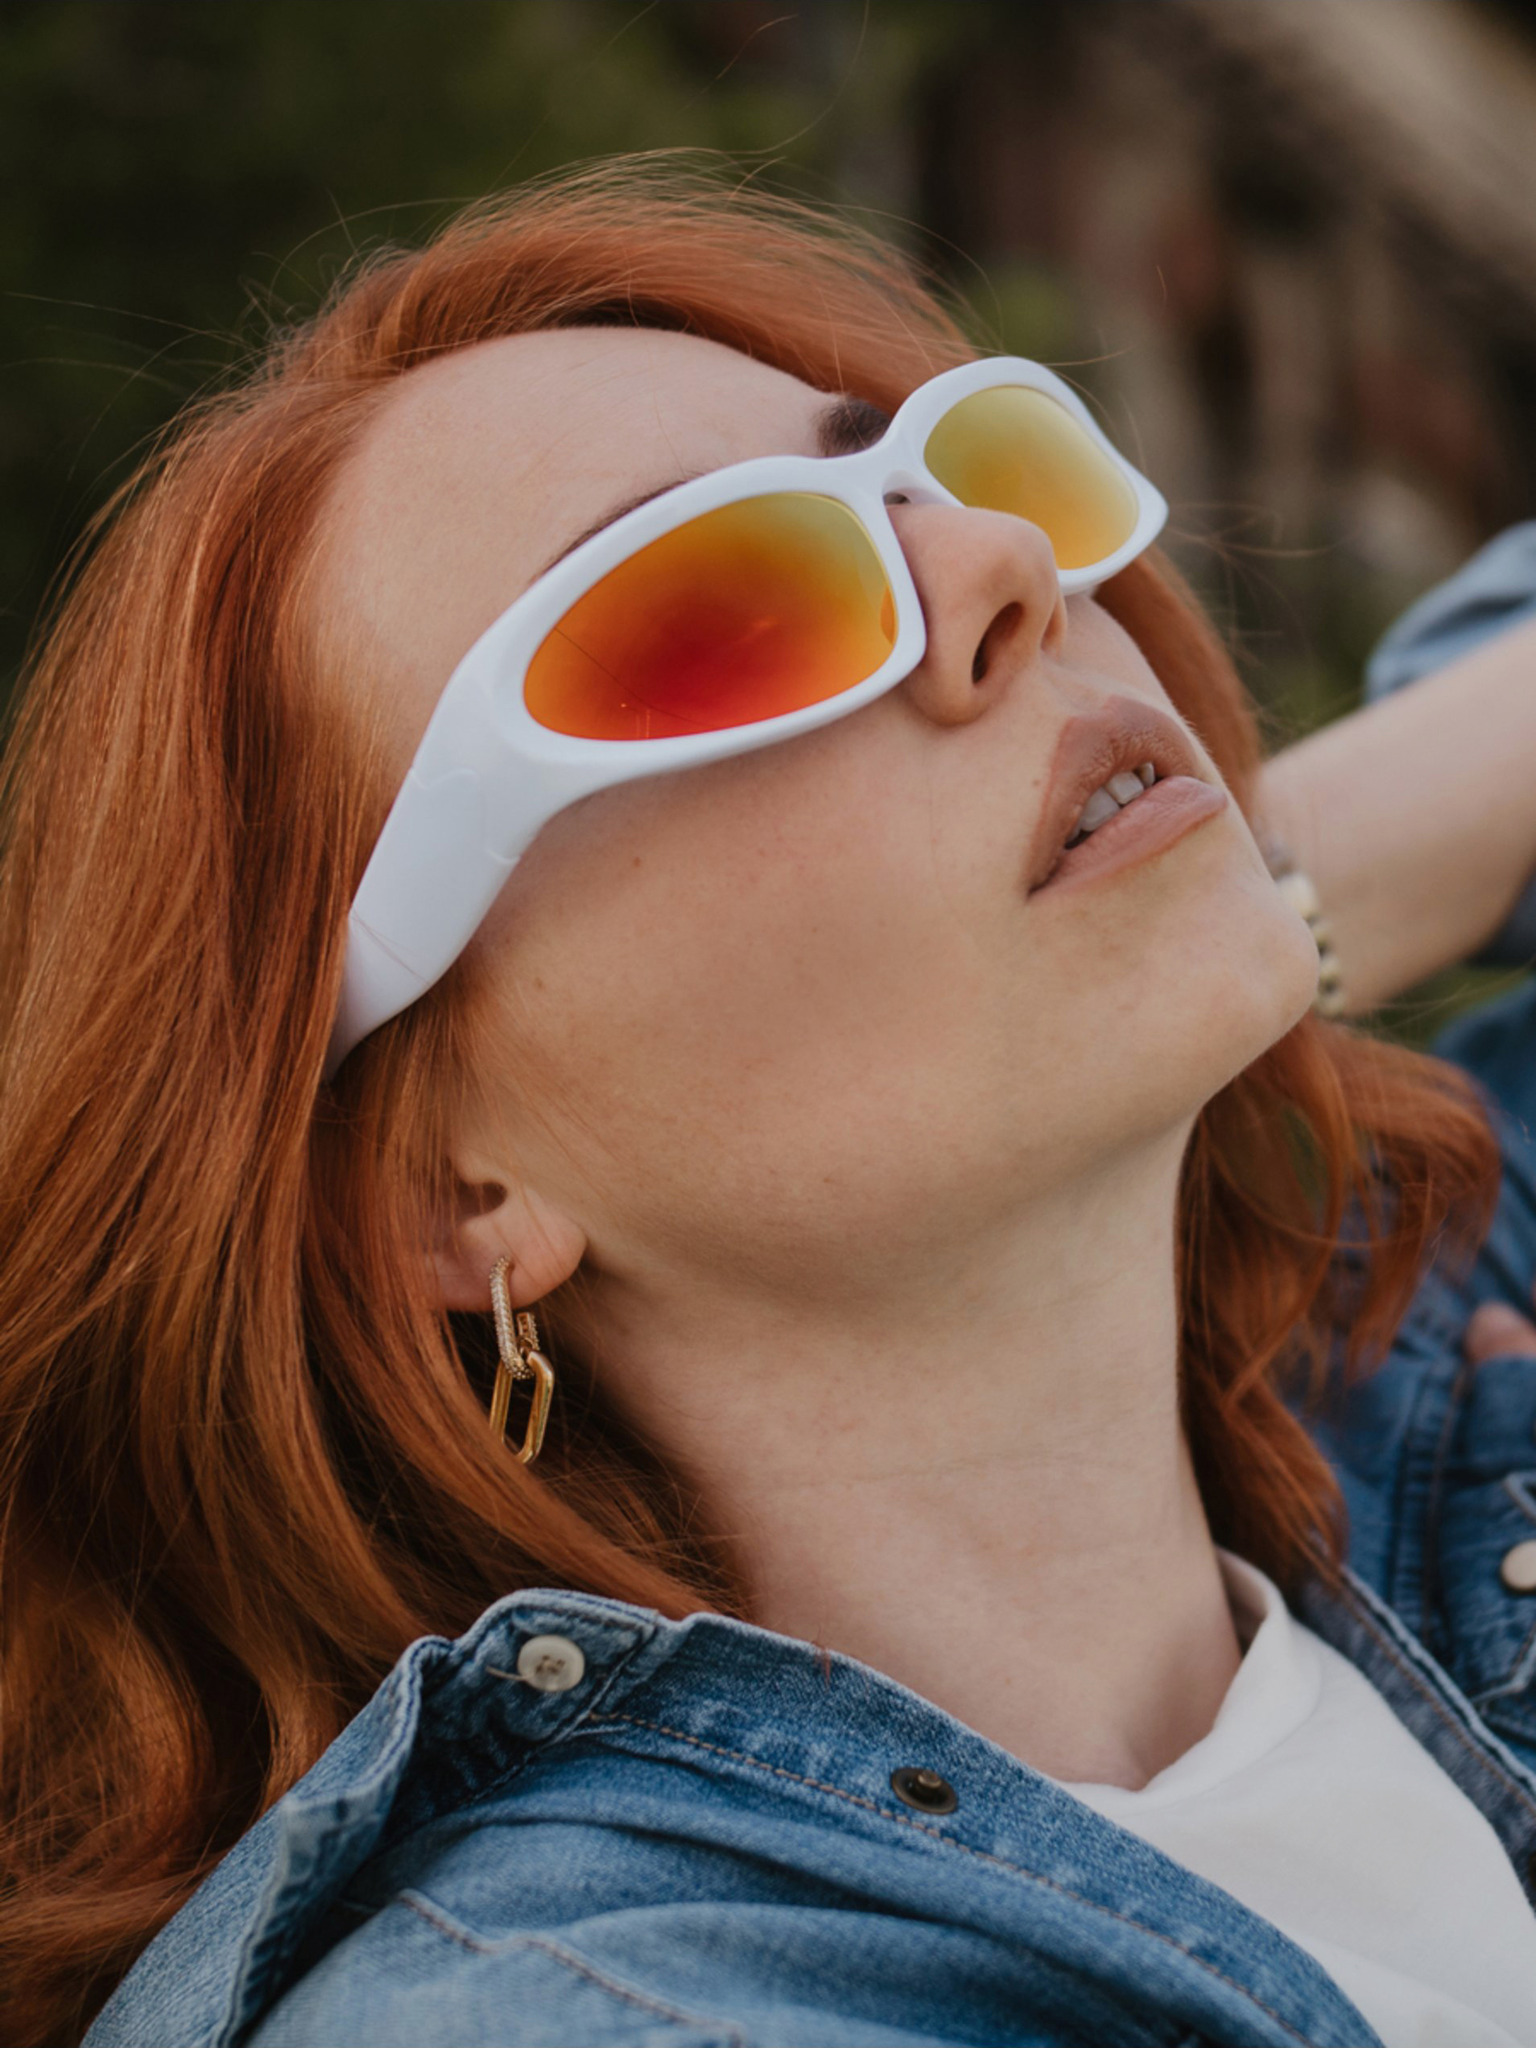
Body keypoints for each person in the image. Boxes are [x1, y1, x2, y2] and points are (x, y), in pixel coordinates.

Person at [6, 160, 1536, 2048]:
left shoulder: (1435, 1395)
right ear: (434, 1196)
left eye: (966, 476)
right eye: (713, 614)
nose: (1006, 566)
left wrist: (1238, 878)